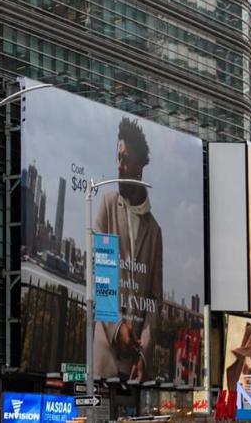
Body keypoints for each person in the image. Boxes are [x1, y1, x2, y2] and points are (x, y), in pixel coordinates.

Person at [92, 117, 162, 382]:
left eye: (125, 159)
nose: (119, 166)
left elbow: (155, 299)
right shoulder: (107, 207)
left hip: (136, 367)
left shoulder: (155, 231)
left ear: (139, 168)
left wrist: (143, 353)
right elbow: (100, 277)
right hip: (105, 360)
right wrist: (118, 326)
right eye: (118, 157)